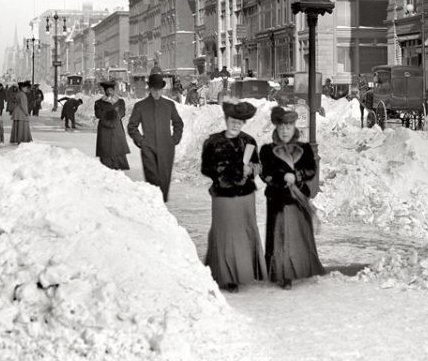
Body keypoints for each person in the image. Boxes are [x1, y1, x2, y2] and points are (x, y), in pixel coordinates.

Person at [200, 99, 265, 292]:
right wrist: (233, 171)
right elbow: (206, 169)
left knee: (244, 232)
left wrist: (252, 169)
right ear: (226, 120)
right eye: (232, 120)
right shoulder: (212, 142)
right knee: (225, 234)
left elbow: (257, 166)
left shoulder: (249, 141)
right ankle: (226, 277)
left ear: (243, 122)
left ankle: (246, 272)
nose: (236, 124)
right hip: (223, 196)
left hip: (245, 196)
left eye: (239, 121)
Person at [259, 106, 325, 289]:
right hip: (278, 200)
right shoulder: (267, 150)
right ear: (276, 128)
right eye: (281, 127)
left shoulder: (304, 149)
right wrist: (282, 178)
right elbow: (265, 173)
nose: (285, 131)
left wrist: (297, 175)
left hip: (298, 200)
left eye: (288, 127)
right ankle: (282, 274)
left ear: (294, 127)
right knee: (279, 240)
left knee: (298, 237)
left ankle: (303, 268)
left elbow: (311, 170)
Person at [127, 73, 184, 202]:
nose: (157, 93)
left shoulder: (169, 105)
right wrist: (141, 141)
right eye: (154, 90)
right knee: (152, 178)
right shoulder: (140, 106)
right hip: (148, 148)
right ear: (150, 89)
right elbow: (132, 127)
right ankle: (154, 204)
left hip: (166, 148)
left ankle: (162, 206)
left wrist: (174, 139)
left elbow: (178, 123)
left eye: (159, 90)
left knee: (164, 179)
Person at [94, 81, 130, 170]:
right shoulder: (99, 102)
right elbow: (98, 114)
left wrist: (115, 115)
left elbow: (122, 113)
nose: (109, 92)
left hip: (116, 127)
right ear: (105, 91)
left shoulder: (120, 101)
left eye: (111, 90)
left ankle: (119, 165)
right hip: (104, 128)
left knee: (117, 146)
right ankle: (107, 165)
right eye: (107, 90)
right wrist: (107, 115)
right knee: (105, 147)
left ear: (113, 90)